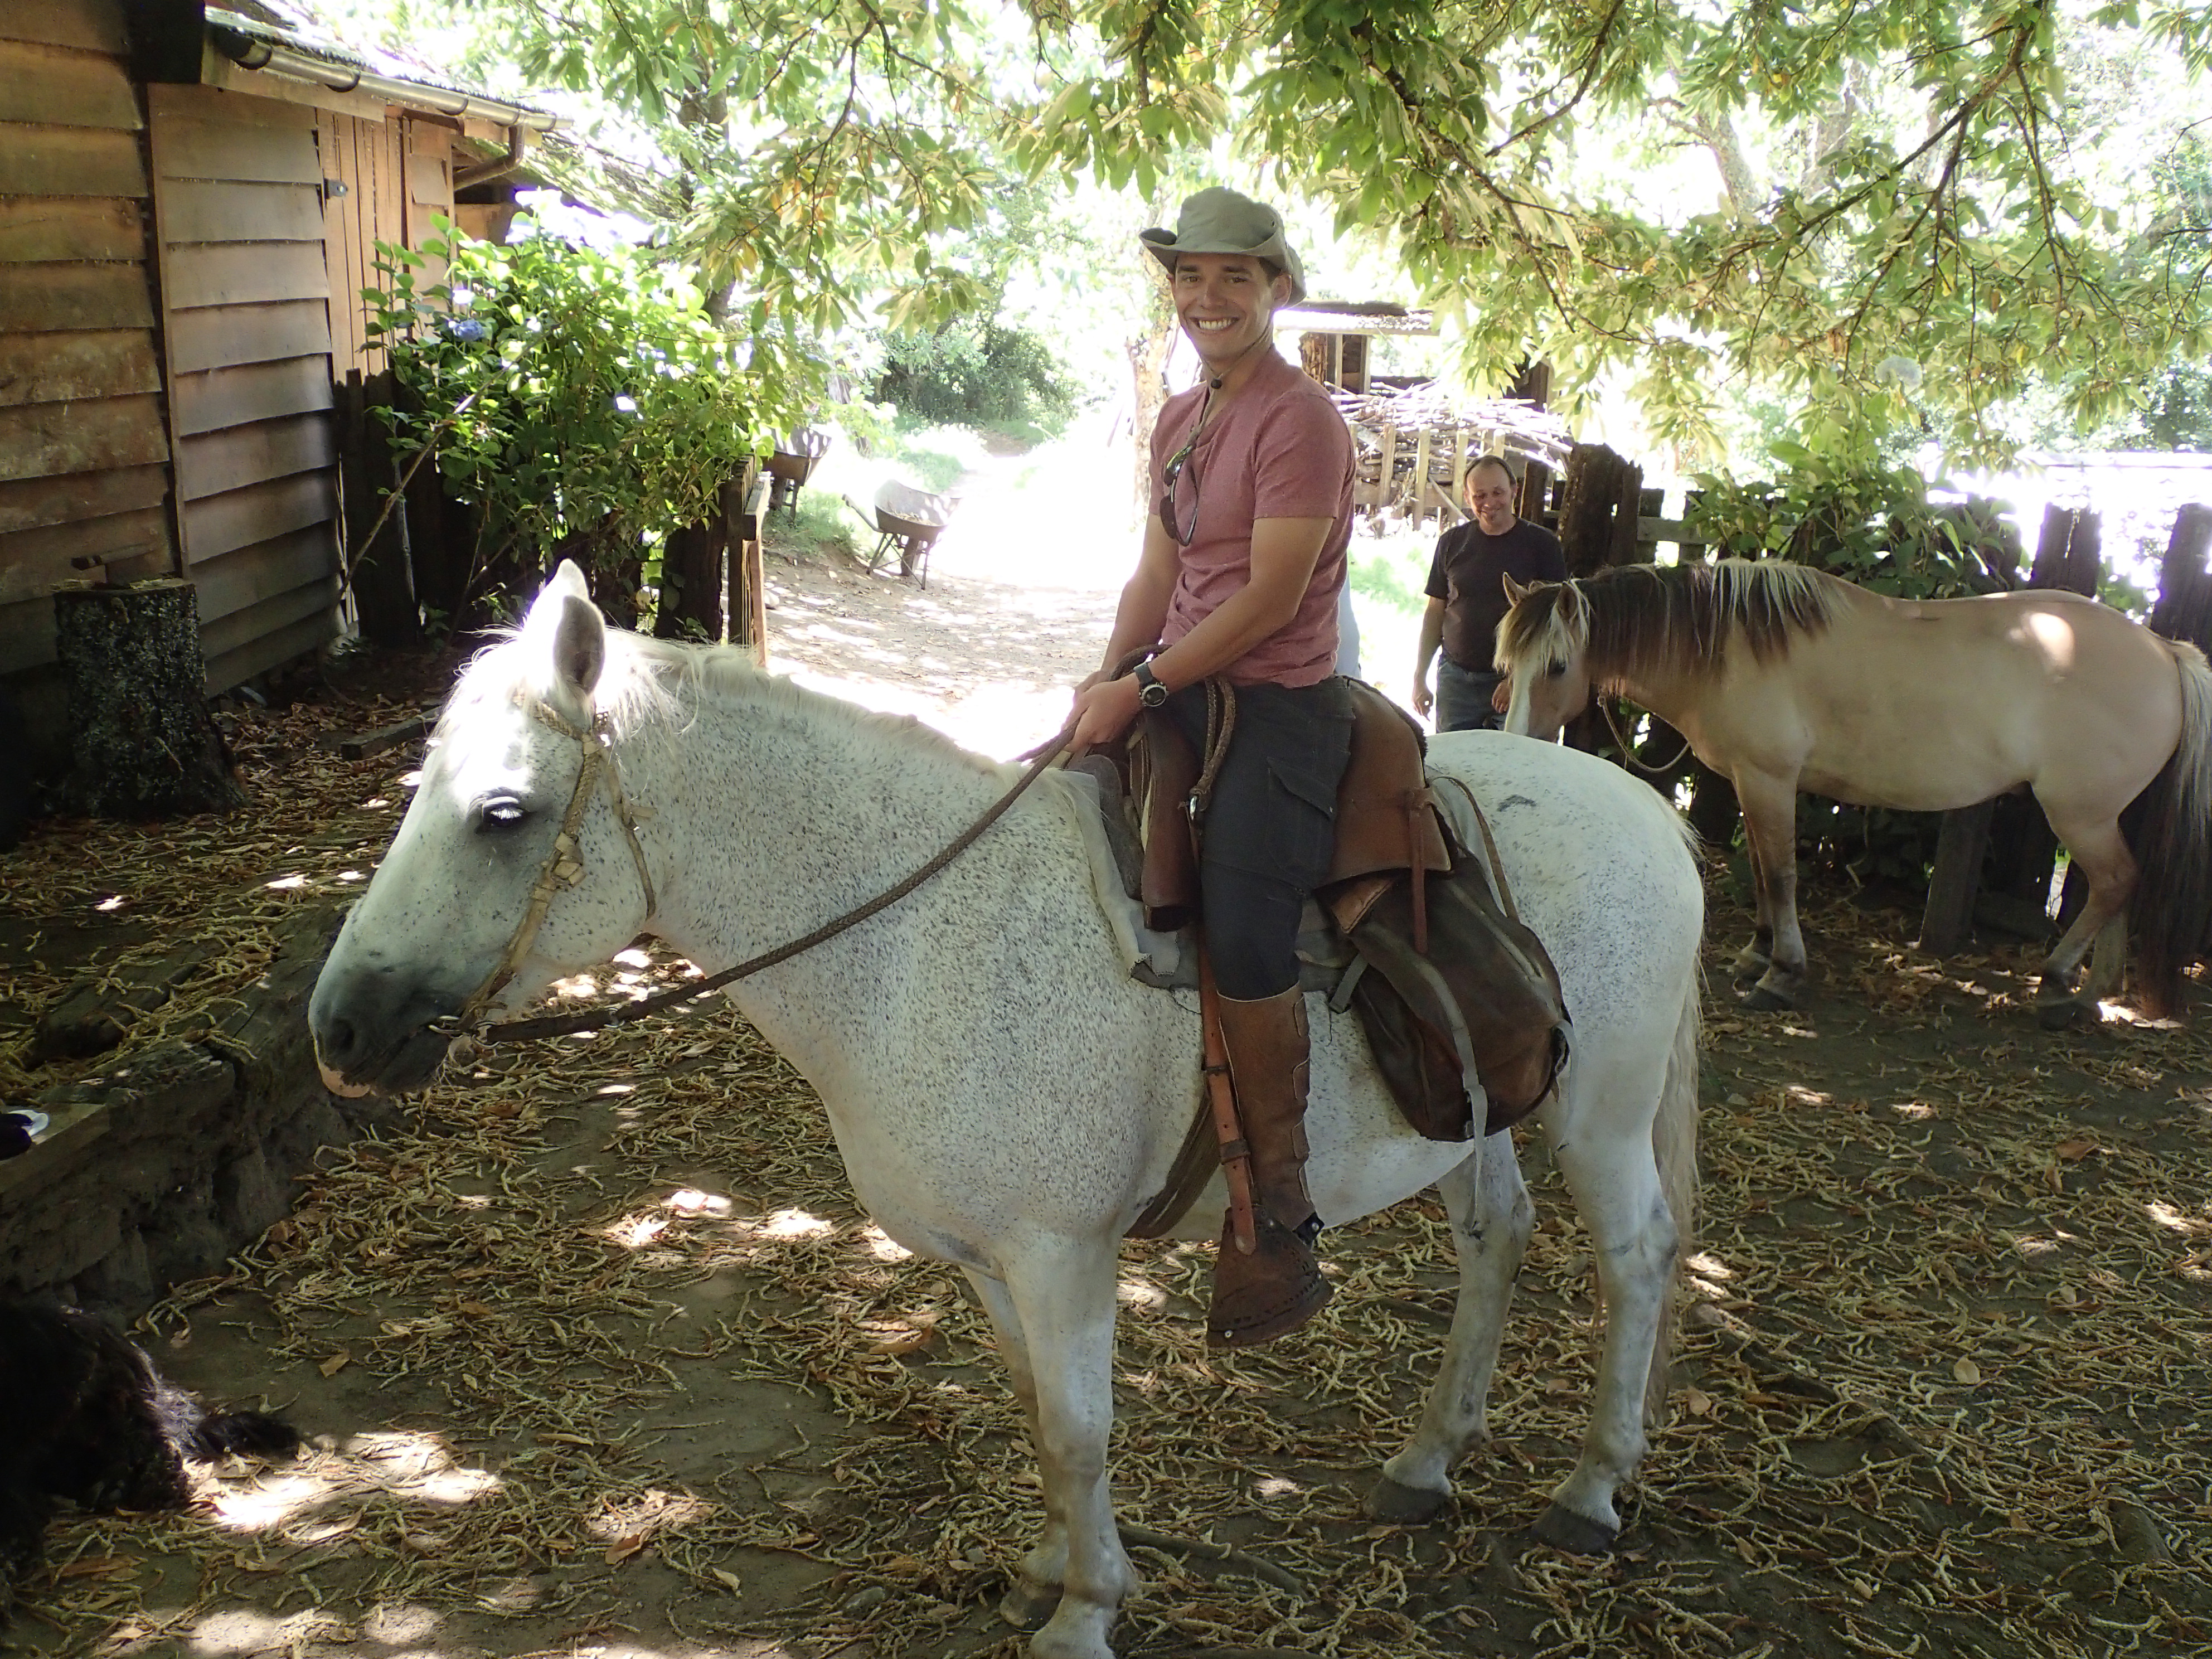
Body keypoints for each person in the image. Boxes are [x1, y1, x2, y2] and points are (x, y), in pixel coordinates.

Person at [1067, 187, 1355, 1348]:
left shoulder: (1301, 421)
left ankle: (1275, 1207)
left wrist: (1143, 686)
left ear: (1276, 288)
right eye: (1190, 277)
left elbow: (1272, 597)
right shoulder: (1182, 416)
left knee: (1242, 928)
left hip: (1277, 703)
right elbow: (1157, 575)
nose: (1208, 298)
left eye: (1235, 277)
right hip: (1176, 682)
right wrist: (1103, 684)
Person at [1412, 455, 1566, 731]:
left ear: (1514, 490)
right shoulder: (1451, 543)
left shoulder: (1543, 546)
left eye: (1498, 493)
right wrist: (1419, 678)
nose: (1489, 503)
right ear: (1467, 497)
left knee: (1511, 756)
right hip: (1456, 681)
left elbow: (1553, 624)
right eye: (1479, 495)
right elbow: (1435, 611)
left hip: (1515, 683)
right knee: (1452, 757)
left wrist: (1515, 680)